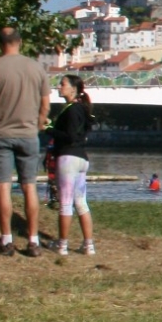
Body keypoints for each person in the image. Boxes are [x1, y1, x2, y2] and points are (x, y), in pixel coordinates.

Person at [0, 26, 48, 255]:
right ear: (20, 42)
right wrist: (38, 124)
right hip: (28, 135)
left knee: (3, 187)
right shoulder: (37, 68)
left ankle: (6, 240)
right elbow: (45, 104)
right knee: (29, 186)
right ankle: (33, 240)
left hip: (0, 134)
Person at [47, 74, 96, 257]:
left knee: (65, 203)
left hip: (68, 158)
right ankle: (88, 245)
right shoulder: (81, 109)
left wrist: (49, 129)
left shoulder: (71, 110)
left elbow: (69, 136)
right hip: (82, 159)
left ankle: (62, 245)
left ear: (73, 89)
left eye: (62, 84)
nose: (59, 87)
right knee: (81, 202)